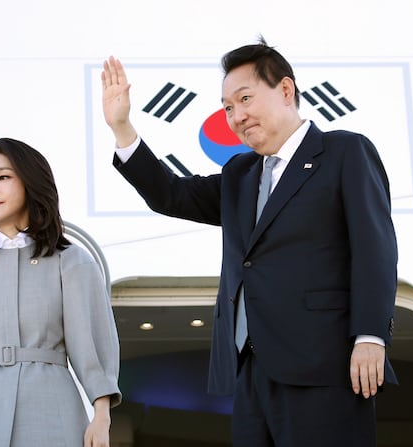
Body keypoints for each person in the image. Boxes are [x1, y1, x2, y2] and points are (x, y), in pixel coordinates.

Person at [101, 36, 397, 447]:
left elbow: (374, 249)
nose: (236, 116)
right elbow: (170, 194)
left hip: (325, 364)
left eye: (244, 99)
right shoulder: (240, 174)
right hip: (250, 370)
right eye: (227, 108)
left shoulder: (344, 151)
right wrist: (122, 128)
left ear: (286, 90)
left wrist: (370, 336)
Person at [0, 138, 121, 447]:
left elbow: (91, 343)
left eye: (3, 177)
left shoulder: (71, 262)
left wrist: (102, 416)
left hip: (52, 411)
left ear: (31, 182)